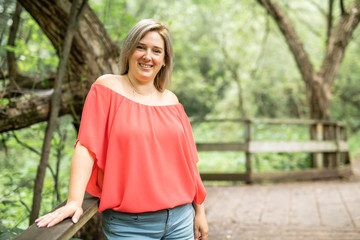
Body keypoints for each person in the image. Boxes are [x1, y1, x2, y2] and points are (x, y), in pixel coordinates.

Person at [35, 19, 208, 240]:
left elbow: (188, 163)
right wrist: (74, 202)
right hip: (130, 225)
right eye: (141, 47)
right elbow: (87, 147)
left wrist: (199, 212)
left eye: (156, 51)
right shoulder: (107, 87)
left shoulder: (171, 101)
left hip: (180, 220)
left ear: (164, 60)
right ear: (128, 51)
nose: (148, 56)